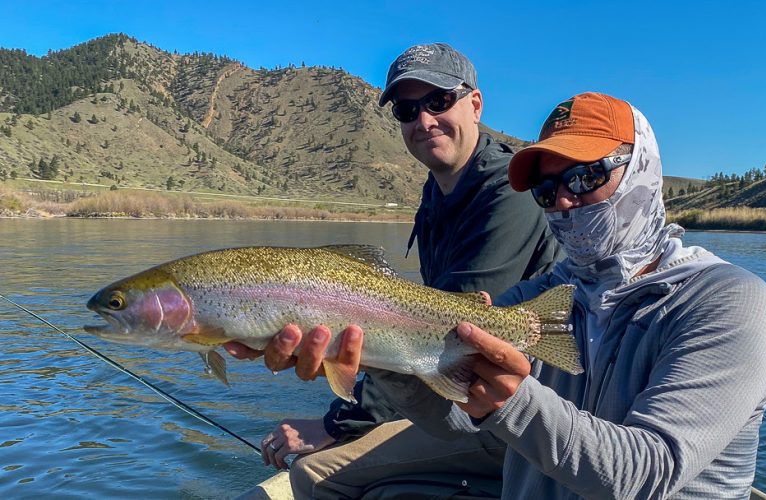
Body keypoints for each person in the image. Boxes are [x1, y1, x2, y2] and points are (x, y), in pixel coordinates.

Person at [270, 91, 766, 498]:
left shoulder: (729, 301)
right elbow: (458, 426)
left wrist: (513, 401)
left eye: (585, 175)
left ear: (642, 169)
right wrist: (383, 356)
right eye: (546, 189)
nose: (563, 200)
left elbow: (645, 474)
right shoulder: (543, 299)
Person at [226, 43, 562, 499]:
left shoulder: (507, 192)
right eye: (408, 110)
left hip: (519, 413)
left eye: (440, 101)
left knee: (312, 474)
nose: (424, 121)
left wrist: (336, 424)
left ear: (476, 104)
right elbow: (417, 329)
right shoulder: (438, 194)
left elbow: (449, 337)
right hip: (469, 402)